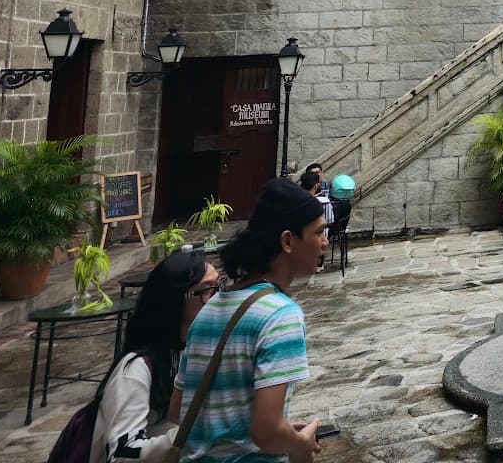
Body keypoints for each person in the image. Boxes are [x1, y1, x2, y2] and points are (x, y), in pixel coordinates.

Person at [176, 178, 327, 463]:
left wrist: (281, 431)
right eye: (318, 232)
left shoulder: (208, 310)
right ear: (288, 241)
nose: (325, 242)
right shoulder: (281, 315)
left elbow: (178, 410)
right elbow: (266, 430)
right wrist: (299, 443)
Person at [89, 248, 220, 463]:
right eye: (207, 290)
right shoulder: (135, 370)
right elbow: (122, 454)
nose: (218, 298)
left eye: (219, 286)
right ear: (176, 300)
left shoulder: (189, 351)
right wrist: (191, 435)